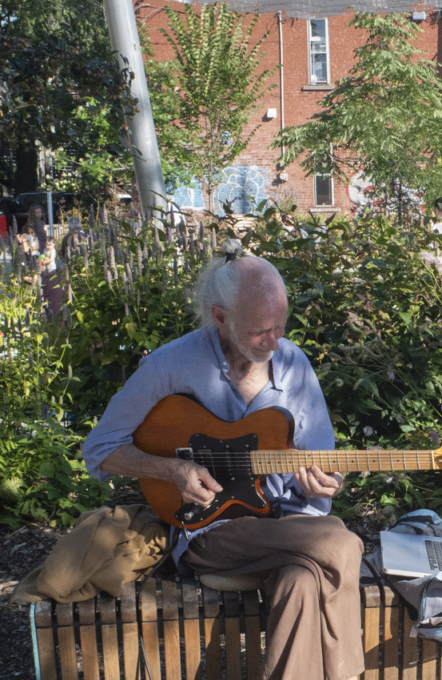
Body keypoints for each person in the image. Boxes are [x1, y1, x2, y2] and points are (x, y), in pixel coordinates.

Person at [82, 251, 364, 680]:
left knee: (301, 581)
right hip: (212, 530)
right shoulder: (169, 366)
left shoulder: (295, 364)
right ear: (220, 317)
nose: (274, 342)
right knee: (341, 542)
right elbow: (99, 449)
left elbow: (321, 461)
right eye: (259, 332)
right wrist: (170, 470)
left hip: (289, 528)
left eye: (280, 327)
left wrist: (324, 484)